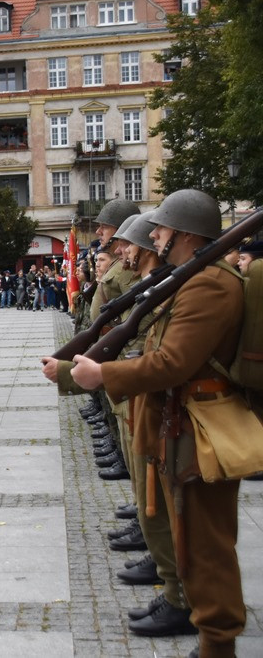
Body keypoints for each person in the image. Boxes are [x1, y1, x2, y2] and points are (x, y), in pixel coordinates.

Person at [70, 190, 246, 658]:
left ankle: (217, 643)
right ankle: (206, 628)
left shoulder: (209, 284)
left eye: (163, 229)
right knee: (186, 533)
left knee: (205, 545)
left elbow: (172, 361)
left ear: (186, 234)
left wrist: (103, 373)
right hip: (179, 421)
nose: (155, 236)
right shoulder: (192, 279)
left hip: (198, 424)